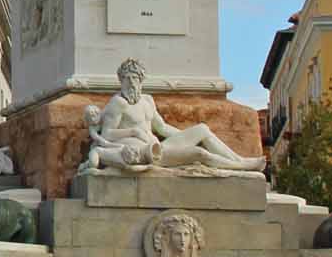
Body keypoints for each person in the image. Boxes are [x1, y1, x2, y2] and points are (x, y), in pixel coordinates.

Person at [87, 58, 262, 174]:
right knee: (199, 153)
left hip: (159, 146)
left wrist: (186, 137)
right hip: (145, 153)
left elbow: (161, 127)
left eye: (134, 78)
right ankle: (240, 168)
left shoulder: (148, 100)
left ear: (141, 80)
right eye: (126, 78)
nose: (131, 83)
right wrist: (132, 131)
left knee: (201, 129)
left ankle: (240, 160)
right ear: (120, 80)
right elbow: (107, 134)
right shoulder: (118, 103)